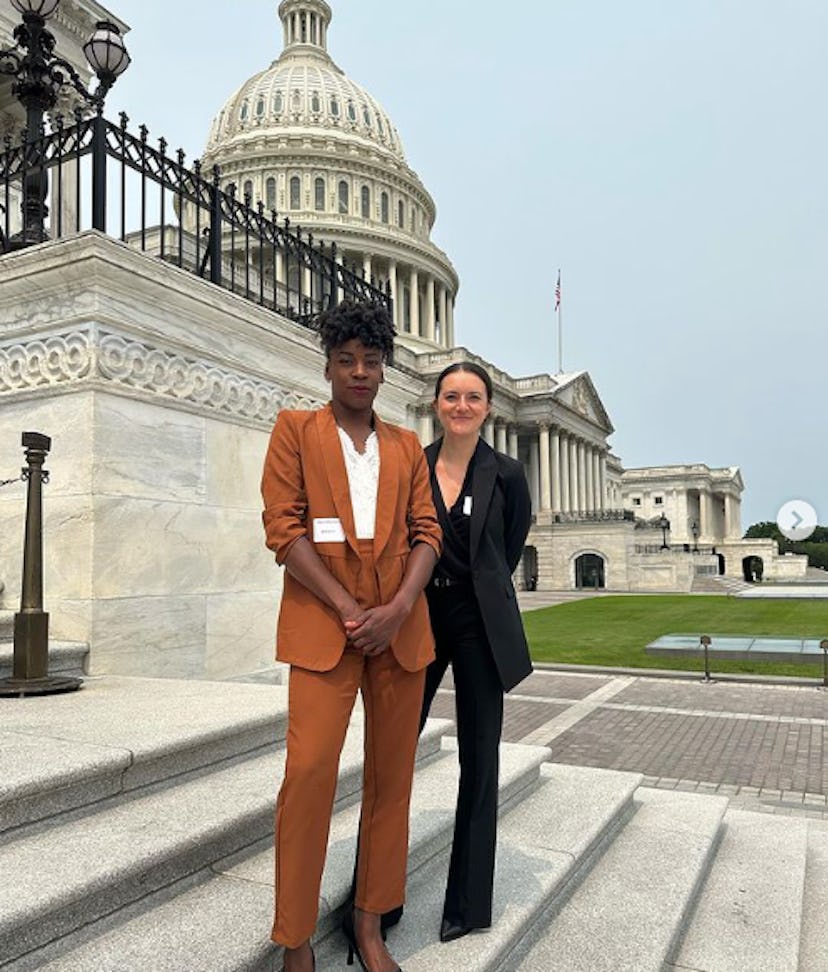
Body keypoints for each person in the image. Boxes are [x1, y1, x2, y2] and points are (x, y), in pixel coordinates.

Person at [261, 299, 441, 972]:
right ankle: (295, 938)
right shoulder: (295, 431)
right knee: (308, 776)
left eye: (370, 360)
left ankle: (370, 923)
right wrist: (346, 606)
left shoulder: (405, 447)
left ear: (385, 368)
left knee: (391, 782)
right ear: (328, 367)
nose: (359, 372)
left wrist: (397, 608)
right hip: (323, 628)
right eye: (346, 360)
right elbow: (284, 529)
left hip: (400, 632)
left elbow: (427, 532)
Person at [382, 360, 533, 943]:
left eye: (473, 397)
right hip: (419, 615)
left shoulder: (508, 474)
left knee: (479, 757)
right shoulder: (412, 465)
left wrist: (479, 588)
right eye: (451, 396)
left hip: (478, 623)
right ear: (436, 404)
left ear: (487, 407)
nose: (462, 406)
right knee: (394, 751)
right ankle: (378, 899)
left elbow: (507, 548)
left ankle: (467, 904)